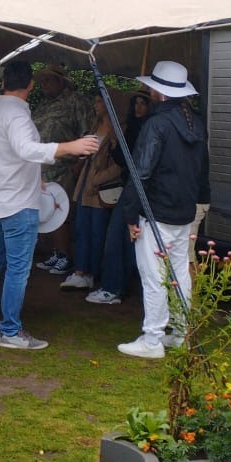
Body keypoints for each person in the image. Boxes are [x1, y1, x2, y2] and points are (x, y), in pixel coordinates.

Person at [0, 60, 100, 350]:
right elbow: (25, 149)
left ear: (3, 82)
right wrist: (69, 147)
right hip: (18, 204)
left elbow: (2, 155)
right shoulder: (17, 115)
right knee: (18, 270)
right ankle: (10, 331)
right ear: (30, 85)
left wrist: (35, 178)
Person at [116, 62, 211, 359]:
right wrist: (200, 203)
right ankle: (182, 333)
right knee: (180, 272)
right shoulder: (195, 123)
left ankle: (153, 339)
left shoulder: (156, 124)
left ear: (158, 92)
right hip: (184, 210)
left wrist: (130, 214)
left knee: (153, 275)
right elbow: (202, 170)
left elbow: (140, 171)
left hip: (156, 210)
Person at [32, 64, 97, 276]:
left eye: (48, 80)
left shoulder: (76, 101)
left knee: (62, 212)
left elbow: (90, 132)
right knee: (48, 212)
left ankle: (67, 255)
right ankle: (57, 253)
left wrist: (80, 164)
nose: (44, 84)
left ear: (61, 81)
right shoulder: (43, 104)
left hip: (66, 167)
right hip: (43, 169)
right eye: (42, 81)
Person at [88, 92, 151, 305]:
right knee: (124, 238)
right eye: (136, 103)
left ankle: (114, 287)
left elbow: (137, 164)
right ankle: (117, 286)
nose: (138, 108)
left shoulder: (151, 129)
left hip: (140, 189)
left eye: (143, 104)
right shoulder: (132, 128)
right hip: (134, 187)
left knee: (119, 236)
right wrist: (116, 146)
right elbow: (125, 161)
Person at [59, 93, 125, 292]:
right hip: (84, 185)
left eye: (98, 101)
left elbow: (120, 164)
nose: (95, 105)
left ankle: (91, 273)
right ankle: (80, 271)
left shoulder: (119, 130)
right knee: (81, 229)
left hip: (100, 188)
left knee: (97, 232)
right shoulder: (93, 127)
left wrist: (99, 179)